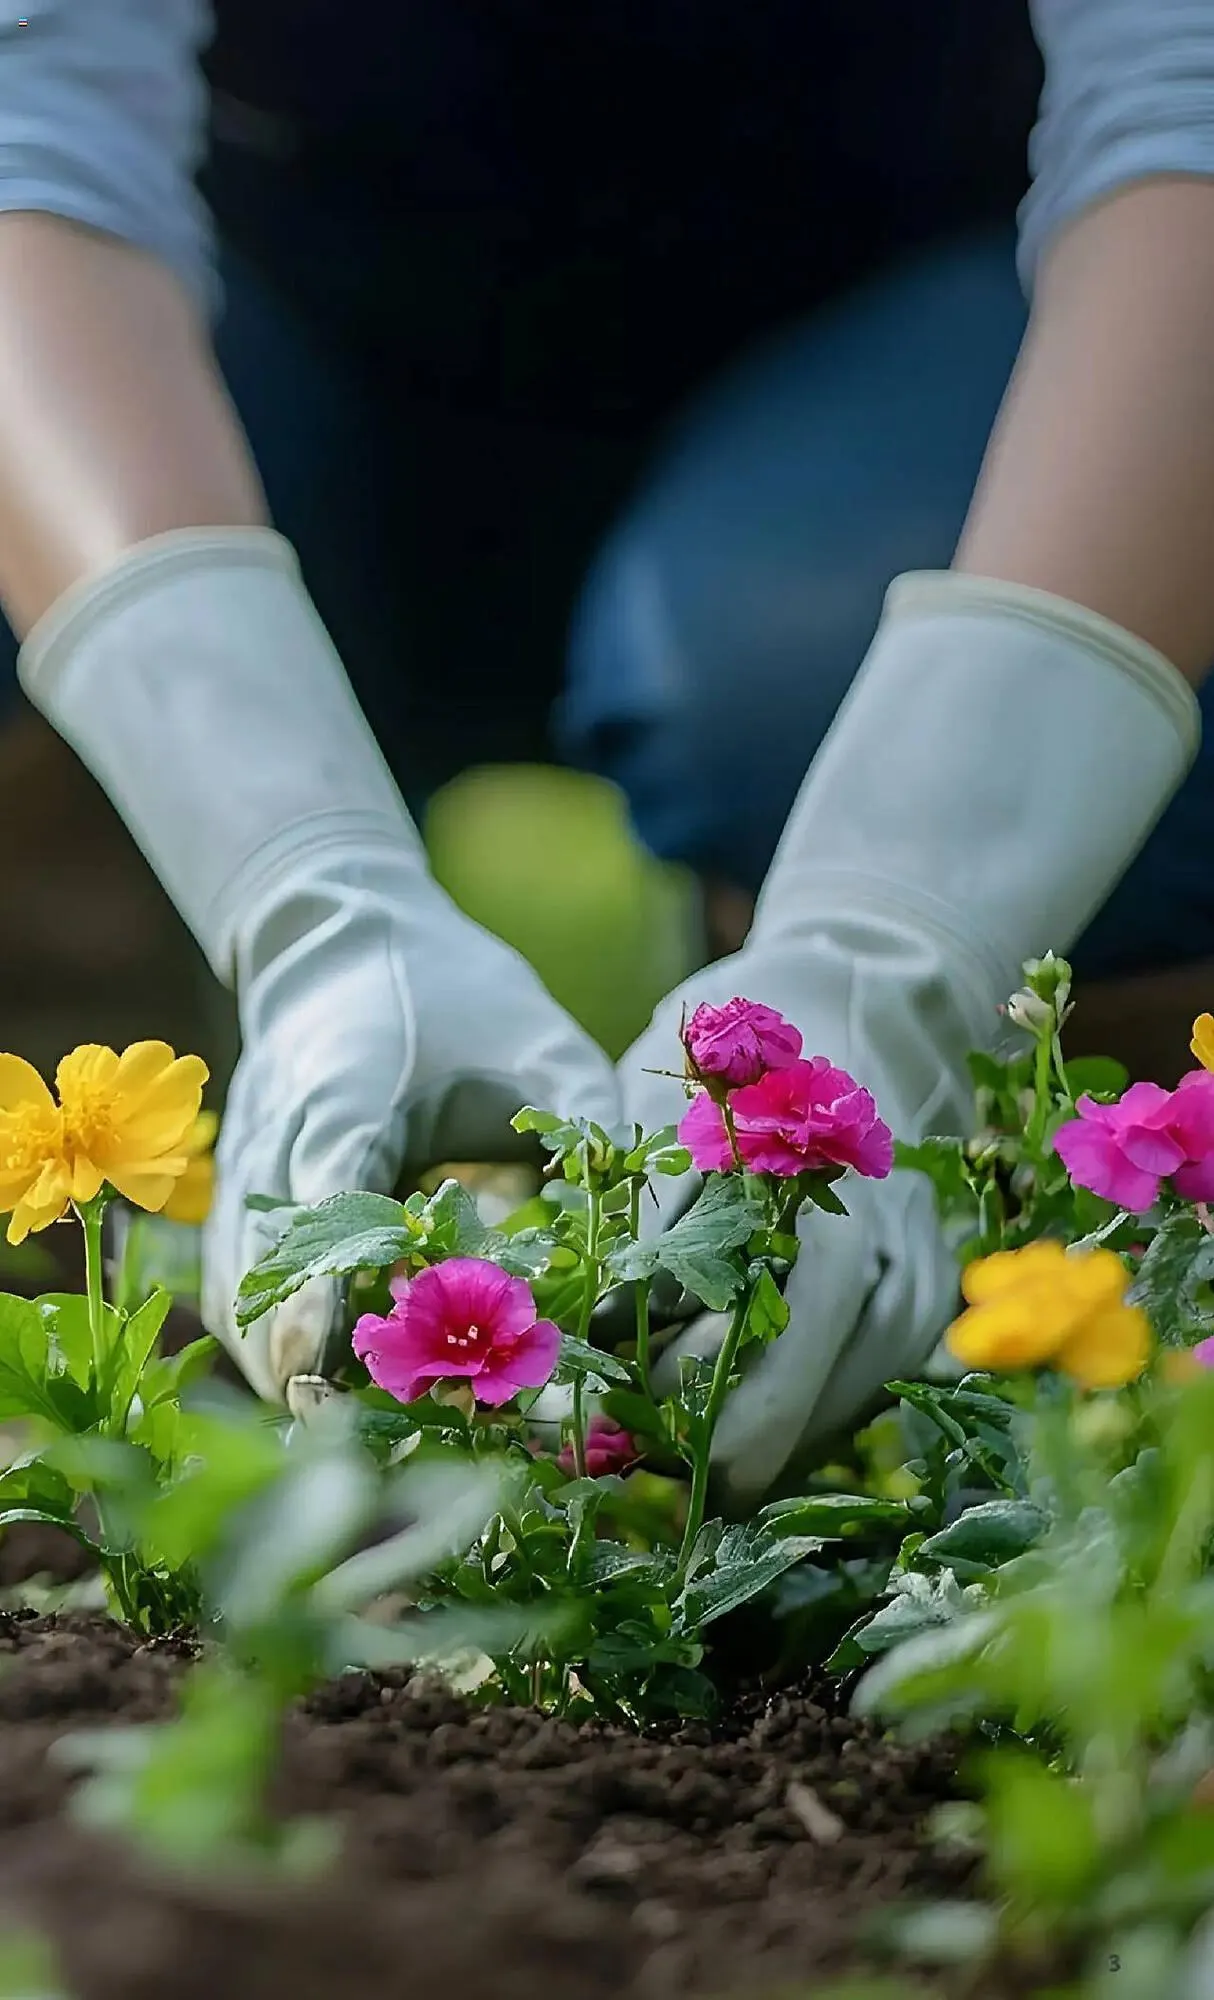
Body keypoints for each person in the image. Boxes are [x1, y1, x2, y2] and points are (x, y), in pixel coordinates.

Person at [1, 4, 1213, 1504]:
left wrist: (895, 933)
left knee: (787, 683)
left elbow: (1189, 108)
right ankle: (96, 1296)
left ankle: (1051, 1346)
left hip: (940, 318)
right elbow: (27, 121)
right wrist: (299, 885)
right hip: (265, 310)